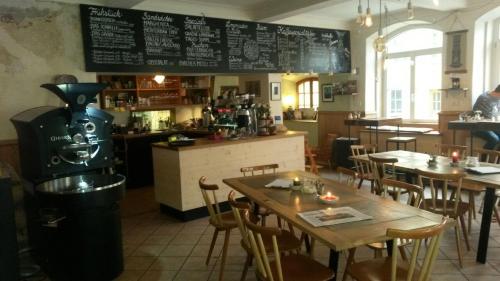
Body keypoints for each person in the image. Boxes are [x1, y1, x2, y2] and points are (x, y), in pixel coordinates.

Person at [472, 85, 500, 150]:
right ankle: (484, 159)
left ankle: (497, 159)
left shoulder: (498, 99)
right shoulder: (484, 98)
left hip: (492, 125)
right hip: (479, 126)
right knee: (494, 139)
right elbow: (479, 115)